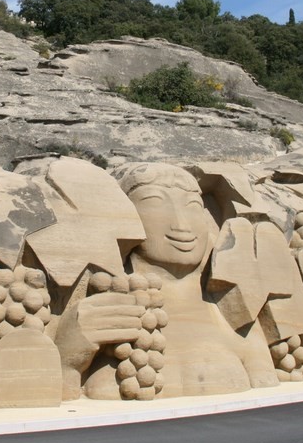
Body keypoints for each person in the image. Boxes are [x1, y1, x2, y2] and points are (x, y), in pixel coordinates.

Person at [55, 162, 257, 399]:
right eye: (154, 201)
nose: (181, 224)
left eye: (193, 205)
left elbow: (264, 376)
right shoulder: (94, 304)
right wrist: (67, 361)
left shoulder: (230, 312)